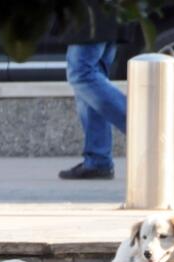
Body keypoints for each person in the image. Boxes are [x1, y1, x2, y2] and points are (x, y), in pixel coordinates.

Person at [56, 1, 127, 180]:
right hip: (105, 13)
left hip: (91, 13)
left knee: (82, 73)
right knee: (93, 79)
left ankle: (144, 127)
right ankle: (98, 161)